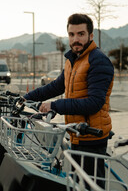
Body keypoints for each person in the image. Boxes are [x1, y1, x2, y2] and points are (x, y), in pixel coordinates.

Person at [23, 13, 114, 187]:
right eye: (72, 35)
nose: (75, 39)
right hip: (77, 133)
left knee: (91, 186)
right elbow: (56, 86)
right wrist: (24, 98)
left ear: (91, 36)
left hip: (91, 137)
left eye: (81, 34)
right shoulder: (73, 60)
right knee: (76, 183)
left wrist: (55, 105)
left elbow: (94, 103)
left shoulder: (98, 60)